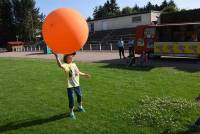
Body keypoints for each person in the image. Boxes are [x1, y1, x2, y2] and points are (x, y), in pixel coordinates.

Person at [53, 52, 90, 120]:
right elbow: (60, 65)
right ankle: (71, 112)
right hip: (70, 86)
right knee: (72, 100)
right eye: (69, 57)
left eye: (71, 57)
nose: (71, 57)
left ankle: (80, 107)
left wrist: (84, 75)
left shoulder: (74, 64)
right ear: (66, 59)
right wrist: (56, 56)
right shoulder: (65, 65)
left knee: (80, 96)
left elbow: (78, 72)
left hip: (77, 85)